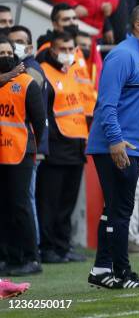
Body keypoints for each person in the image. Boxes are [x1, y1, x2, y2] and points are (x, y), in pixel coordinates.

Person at [86, 2, 139, 289]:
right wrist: (116, 141)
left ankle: (101, 270)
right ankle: (121, 272)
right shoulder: (122, 55)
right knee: (121, 210)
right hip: (114, 144)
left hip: (130, 145)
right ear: (138, 26)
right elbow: (106, 105)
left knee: (116, 209)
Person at [36, 32, 88, 264]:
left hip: (76, 146)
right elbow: (44, 113)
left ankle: (63, 246)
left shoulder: (72, 72)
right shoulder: (43, 72)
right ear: (52, 50)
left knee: (67, 203)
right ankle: (47, 248)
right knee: (49, 203)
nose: (68, 53)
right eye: (63, 49)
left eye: (71, 49)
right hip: (56, 149)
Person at [0, 37, 45, 277]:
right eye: (1, 52)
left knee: (21, 206)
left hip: (20, 152)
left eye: (8, 52)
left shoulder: (27, 83)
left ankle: (31, 258)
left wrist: (35, 149)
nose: (6, 56)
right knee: (4, 208)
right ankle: (10, 257)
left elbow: (39, 122)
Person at [8, 25, 50, 248]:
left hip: (28, 146)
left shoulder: (30, 71)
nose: (15, 47)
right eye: (10, 42)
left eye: (19, 42)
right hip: (17, 146)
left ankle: (32, 250)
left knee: (26, 199)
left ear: (30, 47)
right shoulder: (17, 68)